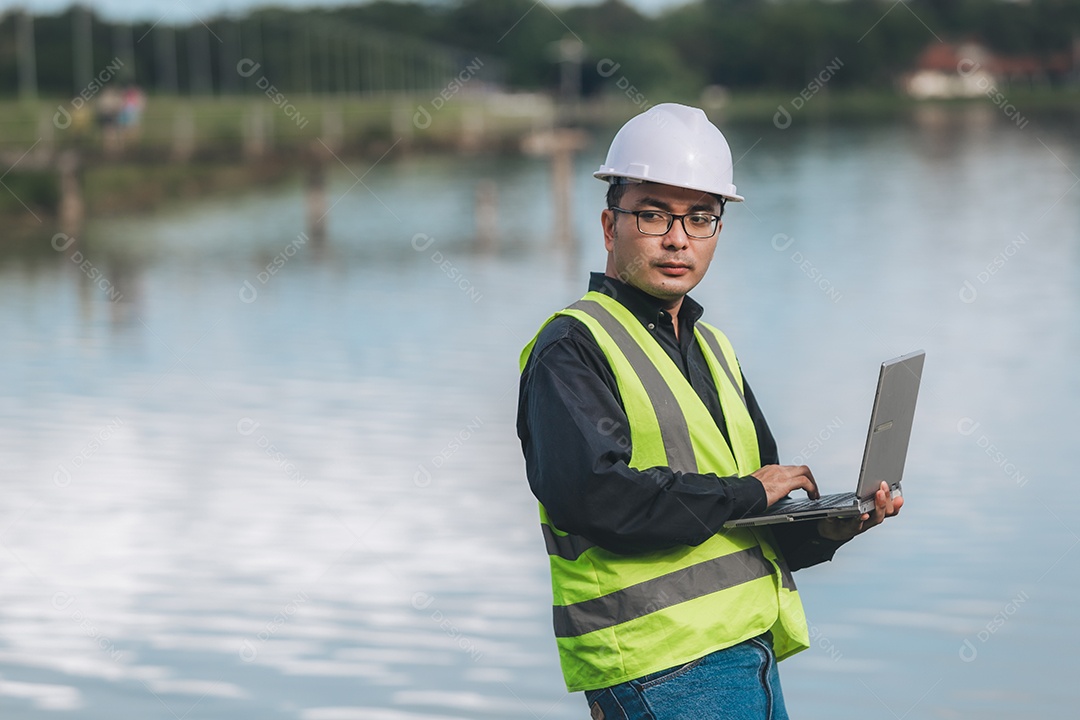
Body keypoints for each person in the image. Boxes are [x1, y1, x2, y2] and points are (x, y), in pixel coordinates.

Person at [515, 103, 902, 720]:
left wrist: (828, 527)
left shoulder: (711, 346)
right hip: (658, 664)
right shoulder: (573, 345)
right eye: (653, 215)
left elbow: (750, 511)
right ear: (609, 224)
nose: (678, 238)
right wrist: (747, 493)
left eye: (700, 218)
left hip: (746, 651)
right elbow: (596, 497)